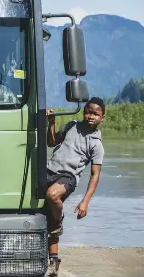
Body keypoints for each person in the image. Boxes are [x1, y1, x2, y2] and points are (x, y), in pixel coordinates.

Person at [44, 97, 106, 277]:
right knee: (46, 212)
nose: (90, 116)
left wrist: (85, 202)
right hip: (49, 170)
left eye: (95, 114)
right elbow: (51, 142)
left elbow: (95, 175)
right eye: (88, 112)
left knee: (53, 195)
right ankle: (54, 261)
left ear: (102, 117)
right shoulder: (72, 125)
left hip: (68, 177)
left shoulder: (96, 144)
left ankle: (58, 220)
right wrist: (52, 122)